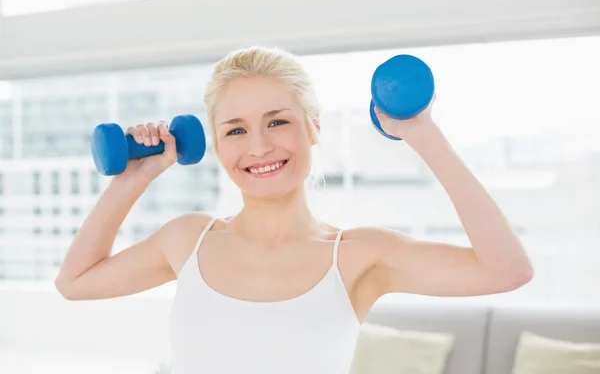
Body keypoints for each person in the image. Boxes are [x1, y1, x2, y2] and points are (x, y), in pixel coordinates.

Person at [55, 46, 534, 373]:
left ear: (314, 129)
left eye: (278, 122)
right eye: (236, 130)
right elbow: (75, 283)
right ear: (218, 146)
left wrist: (419, 131)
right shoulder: (187, 239)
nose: (259, 147)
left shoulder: (357, 255)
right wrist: (132, 181)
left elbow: (506, 269)